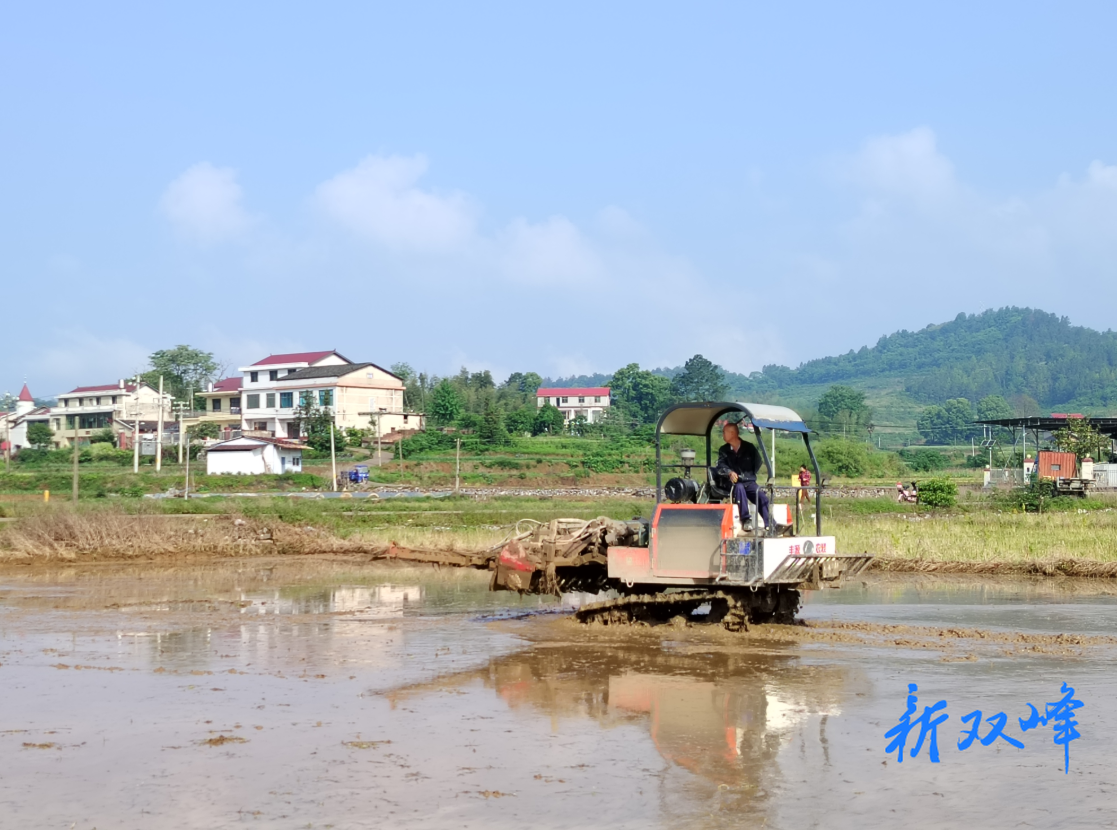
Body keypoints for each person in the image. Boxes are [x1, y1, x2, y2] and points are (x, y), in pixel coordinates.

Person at [715, 421, 770, 528]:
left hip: (748, 481)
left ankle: (770, 524)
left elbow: (757, 462)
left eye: (724, 432)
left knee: (761, 496)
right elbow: (720, 466)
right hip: (732, 483)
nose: (723, 435)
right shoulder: (723, 450)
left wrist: (749, 474)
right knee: (739, 488)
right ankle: (746, 520)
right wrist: (729, 473)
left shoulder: (749, 448)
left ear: (732, 433)